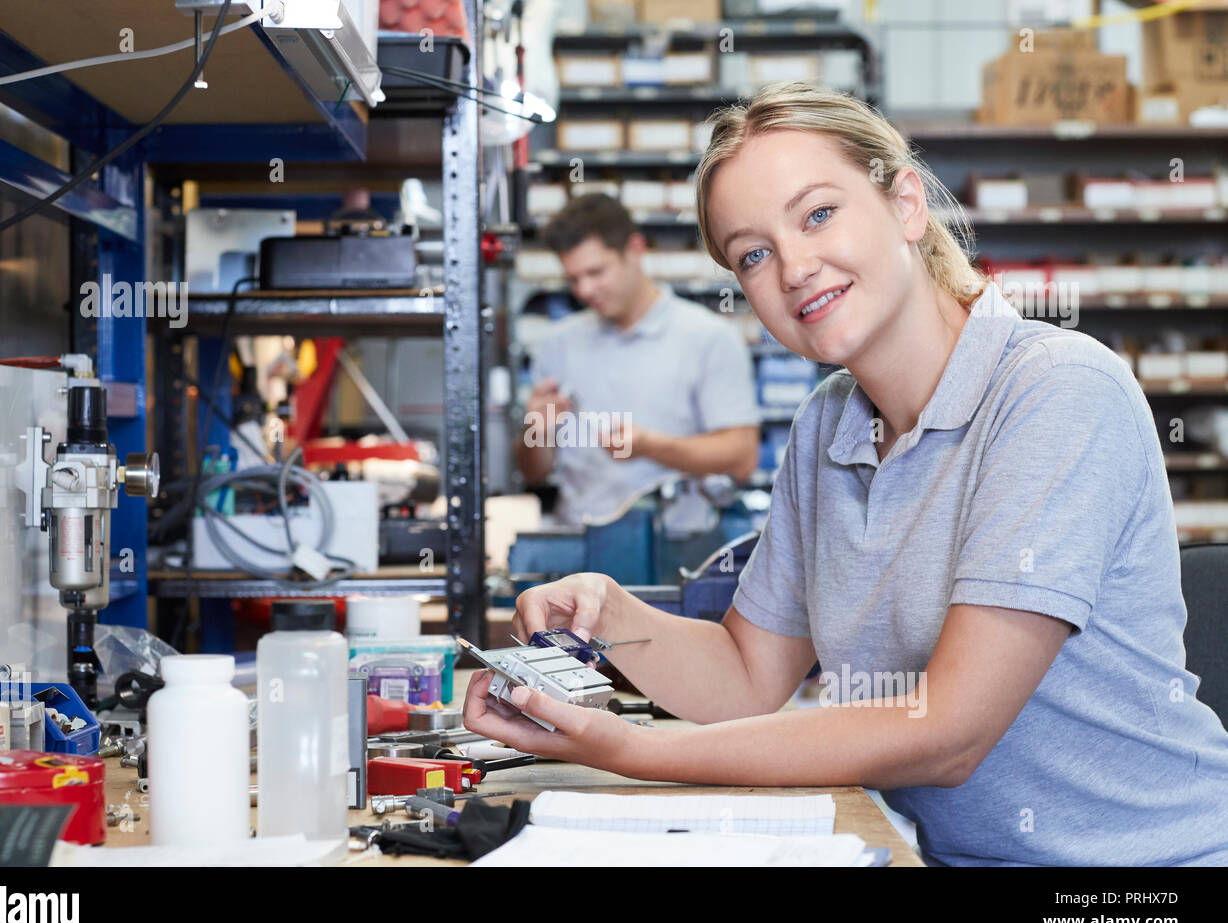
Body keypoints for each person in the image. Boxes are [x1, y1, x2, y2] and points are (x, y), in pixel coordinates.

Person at [467, 83, 1228, 866]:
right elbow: (747, 676)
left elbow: (947, 733)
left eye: (818, 214)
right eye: (753, 254)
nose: (794, 266)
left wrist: (626, 749)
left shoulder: (1056, 391)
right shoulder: (830, 421)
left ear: (904, 202)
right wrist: (611, 617)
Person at [516, 193, 760, 524]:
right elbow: (534, 474)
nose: (585, 290)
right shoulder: (557, 344)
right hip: (578, 550)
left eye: (596, 272)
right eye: (574, 279)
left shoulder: (707, 337)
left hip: (675, 548)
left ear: (634, 249)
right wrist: (538, 431)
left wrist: (651, 446)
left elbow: (742, 459)